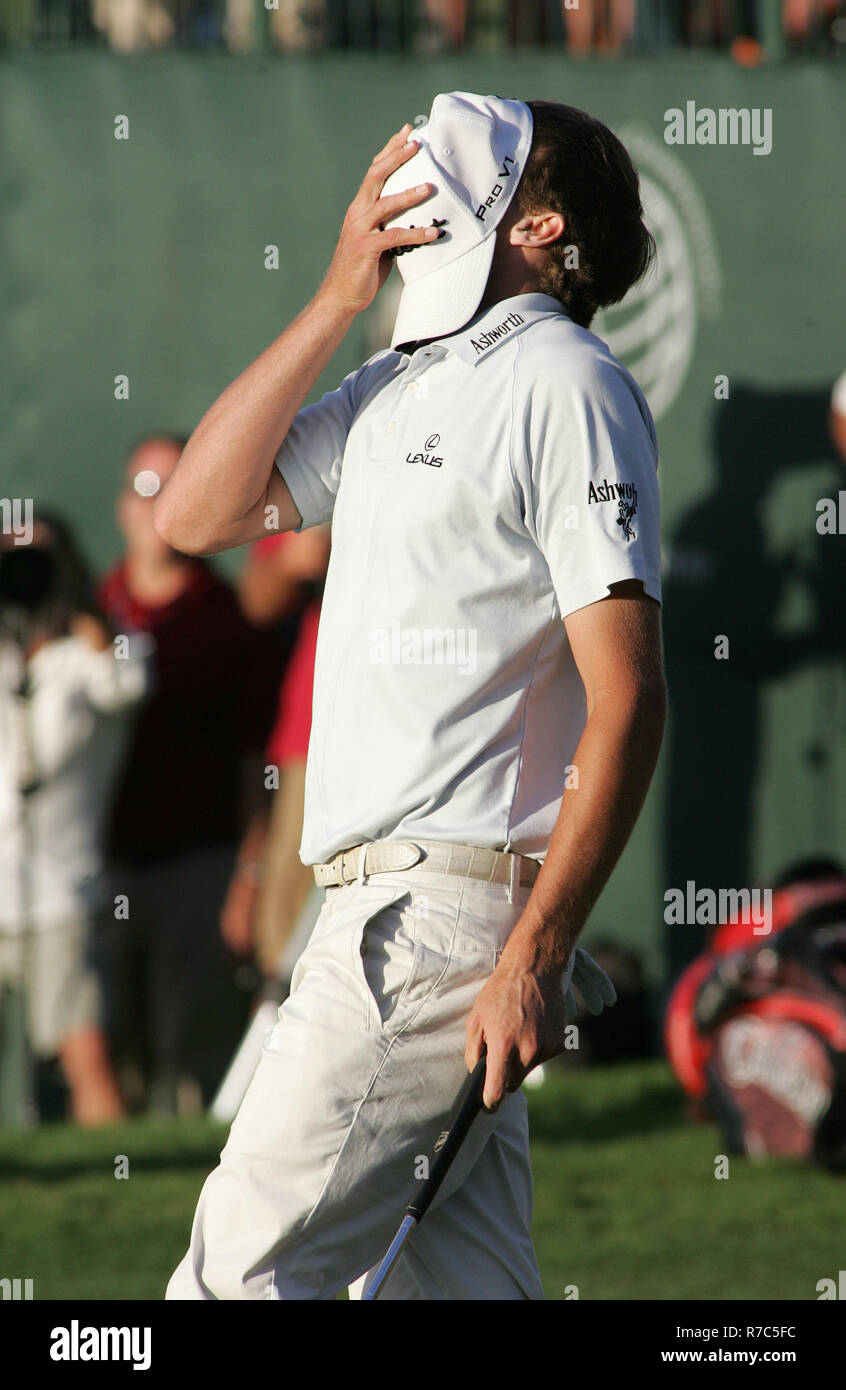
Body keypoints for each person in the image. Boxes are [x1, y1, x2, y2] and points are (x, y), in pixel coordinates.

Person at [157, 93, 666, 1300]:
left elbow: (630, 699)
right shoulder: (401, 375)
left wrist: (530, 957)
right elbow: (196, 513)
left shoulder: (565, 376)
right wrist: (338, 295)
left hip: (437, 928)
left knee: (231, 1282)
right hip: (398, 918)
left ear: (540, 226)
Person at [96, 435, 284, 1114]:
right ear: (121, 507)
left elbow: (254, 766)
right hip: (101, 867)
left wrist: (247, 876)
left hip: (201, 866)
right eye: (145, 490)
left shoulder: (228, 620)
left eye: (174, 487)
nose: (157, 509)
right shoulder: (94, 615)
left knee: (196, 1048)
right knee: (109, 1042)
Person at [0, 511, 145, 1124]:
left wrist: (80, 612)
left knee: (81, 1046)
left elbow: (128, 678)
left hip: (61, 887)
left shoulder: (90, 654)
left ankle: (112, 1188)